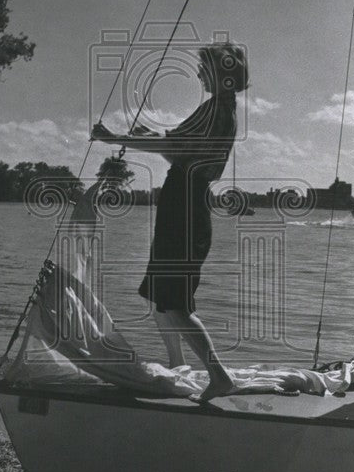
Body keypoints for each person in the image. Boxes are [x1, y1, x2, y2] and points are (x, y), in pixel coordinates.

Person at [92, 42, 272, 401]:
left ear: (223, 75)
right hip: (183, 199)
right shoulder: (217, 110)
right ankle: (178, 365)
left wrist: (114, 138)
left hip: (186, 203)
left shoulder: (215, 110)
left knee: (174, 302)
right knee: (160, 296)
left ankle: (218, 376)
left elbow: (175, 151)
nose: (199, 74)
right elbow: (177, 146)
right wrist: (146, 138)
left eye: (204, 68)